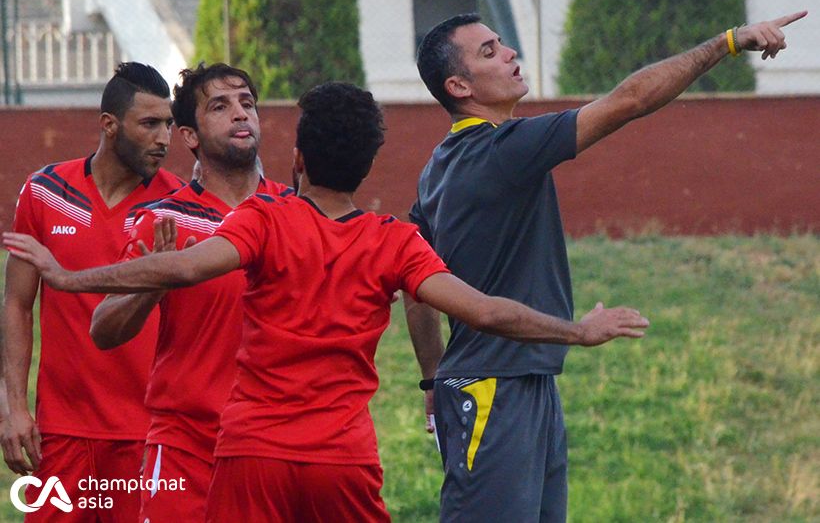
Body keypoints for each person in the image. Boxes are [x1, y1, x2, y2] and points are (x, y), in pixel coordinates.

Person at [4, 82, 649, 522]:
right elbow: (485, 310)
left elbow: (181, 266)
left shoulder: (264, 219)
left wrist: (67, 279)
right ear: (369, 164)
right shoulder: (394, 242)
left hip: (252, 453)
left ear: (298, 157)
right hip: (340, 460)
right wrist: (578, 331)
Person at [408, 10, 807, 522]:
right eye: (489, 51)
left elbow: (413, 283)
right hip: (493, 392)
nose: (509, 53)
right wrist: (727, 42)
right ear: (458, 85)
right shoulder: (502, 149)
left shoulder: (438, 166)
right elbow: (631, 100)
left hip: (516, 383)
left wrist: (431, 380)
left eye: (502, 43)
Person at [87, 62, 293, 521]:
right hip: (186, 450)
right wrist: (153, 283)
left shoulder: (297, 213)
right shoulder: (163, 220)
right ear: (189, 136)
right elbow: (103, 329)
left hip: (276, 447)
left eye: (247, 103)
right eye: (219, 106)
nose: (241, 114)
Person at [1, 62, 184, 522]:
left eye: (168, 124)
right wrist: (14, 409)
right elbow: (17, 305)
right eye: (149, 124)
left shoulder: (177, 207)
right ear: (109, 125)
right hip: (60, 433)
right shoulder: (45, 192)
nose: (164, 138)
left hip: (146, 434)